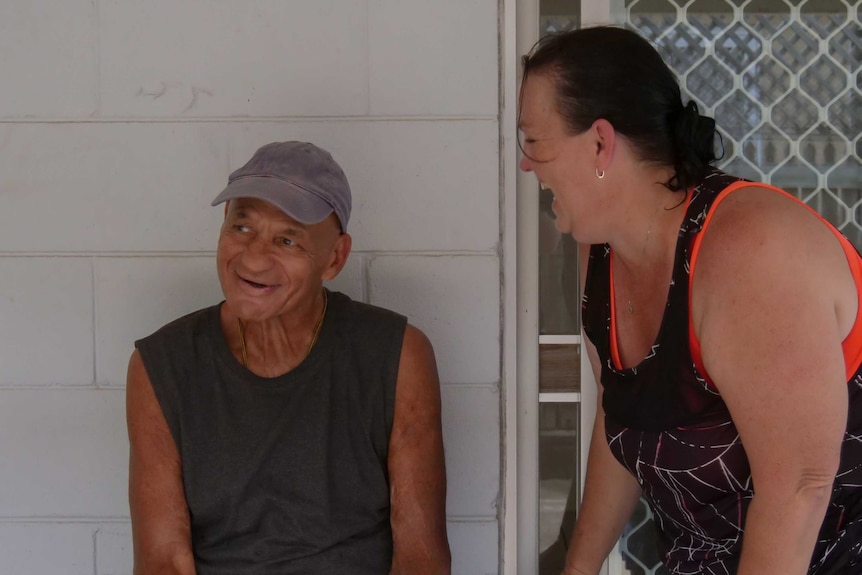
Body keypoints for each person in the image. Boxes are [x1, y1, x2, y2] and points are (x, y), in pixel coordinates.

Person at [518, 26, 862, 575]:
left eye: (534, 143)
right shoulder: (599, 252)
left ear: (601, 143)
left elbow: (798, 492)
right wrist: (577, 568)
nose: (526, 166)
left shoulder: (749, 250)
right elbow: (623, 417)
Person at [125, 141, 451, 575]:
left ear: (334, 258)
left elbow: (420, 560)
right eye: (241, 228)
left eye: (287, 239)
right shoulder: (162, 365)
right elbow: (163, 562)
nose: (254, 258)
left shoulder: (397, 356)